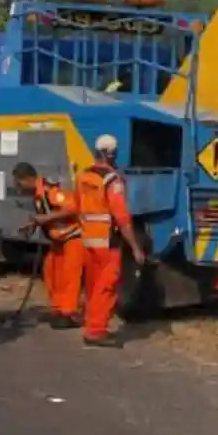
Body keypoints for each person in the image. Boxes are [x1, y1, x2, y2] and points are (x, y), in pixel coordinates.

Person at [76, 134, 144, 347]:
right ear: (111, 154)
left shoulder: (83, 176)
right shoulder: (112, 180)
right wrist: (135, 248)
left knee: (94, 285)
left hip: (88, 240)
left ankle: (91, 324)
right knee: (106, 286)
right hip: (108, 241)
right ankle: (96, 331)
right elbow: (122, 217)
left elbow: (77, 206)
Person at [13, 162, 84, 328]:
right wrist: (32, 225)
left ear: (26, 179)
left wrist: (46, 219)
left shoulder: (50, 191)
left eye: (18, 182)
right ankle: (58, 309)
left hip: (73, 237)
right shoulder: (38, 194)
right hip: (58, 240)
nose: (18, 187)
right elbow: (44, 214)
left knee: (69, 277)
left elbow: (73, 208)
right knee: (50, 271)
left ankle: (68, 314)